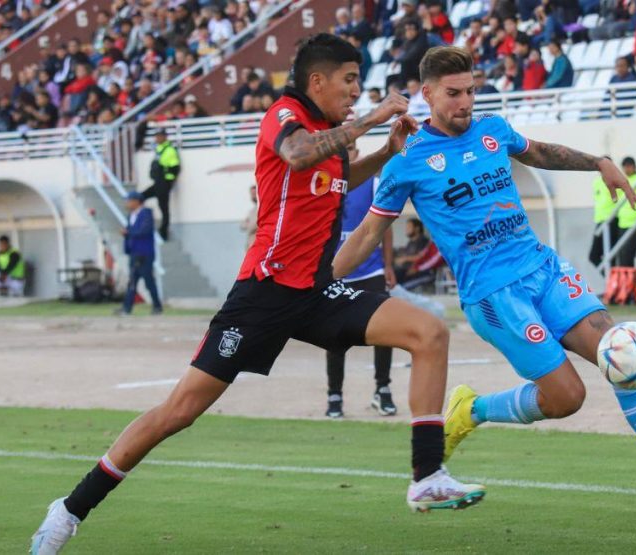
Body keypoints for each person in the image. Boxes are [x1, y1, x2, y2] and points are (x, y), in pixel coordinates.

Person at [31, 34, 484, 554]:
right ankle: (69, 510)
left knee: (428, 332)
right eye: (350, 80)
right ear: (318, 80)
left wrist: (385, 151)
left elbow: (337, 176)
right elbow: (296, 156)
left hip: (315, 290)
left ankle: (426, 476)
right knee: (179, 411)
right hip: (263, 294)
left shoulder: (332, 134)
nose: (356, 91)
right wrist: (371, 119)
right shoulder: (285, 115)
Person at [334, 46, 636, 511]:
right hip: (494, 296)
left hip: (542, 268)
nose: (465, 103)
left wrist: (598, 162)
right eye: (453, 93)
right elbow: (368, 234)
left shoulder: (493, 131)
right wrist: (317, 281)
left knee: (622, 352)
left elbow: (540, 152)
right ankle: (471, 410)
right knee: (566, 398)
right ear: (427, 94)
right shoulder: (408, 162)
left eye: (471, 91)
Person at [325, 142, 399, 419]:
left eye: (352, 147)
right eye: (343, 148)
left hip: (370, 269)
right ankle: (335, 394)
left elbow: (385, 227)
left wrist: (388, 264)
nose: (348, 152)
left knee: (387, 329)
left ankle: (383, 389)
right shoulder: (327, 182)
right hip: (336, 271)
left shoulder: (372, 183)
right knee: (334, 335)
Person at [117, 192, 163, 316]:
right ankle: (127, 308)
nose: (127, 203)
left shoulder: (146, 213)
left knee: (148, 281)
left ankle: (157, 306)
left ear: (137, 201)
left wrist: (127, 232)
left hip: (145, 253)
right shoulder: (131, 215)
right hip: (134, 252)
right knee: (132, 281)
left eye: (129, 200)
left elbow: (144, 231)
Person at [142, 128, 180, 240]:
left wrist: (168, 180)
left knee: (163, 207)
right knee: (141, 197)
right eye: (156, 136)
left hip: (163, 183)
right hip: (157, 182)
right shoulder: (158, 149)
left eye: (159, 136)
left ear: (165, 137)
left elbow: (175, 168)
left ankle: (164, 232)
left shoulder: (170, 150)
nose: (157, 138)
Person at [588, 156, 621, 270]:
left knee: (611, 255)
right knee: (593, 256)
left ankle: (612, 282)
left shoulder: (617, 180)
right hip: (600, 222)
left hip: (612, 220)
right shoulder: (596, 182)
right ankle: (611, 281)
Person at [393, 218, 431, 283]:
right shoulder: (410, 242)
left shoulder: (423, 241)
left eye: (409, 227)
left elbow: (422, 257)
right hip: (405, 270)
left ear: (417, 228)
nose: (406, 229)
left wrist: (405, 259)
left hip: (417, 272)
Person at [240, 184, 258, 251]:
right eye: (252, 194)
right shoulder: (252, 211)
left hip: (258, 244)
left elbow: (255, 224)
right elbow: (242, 225)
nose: (252, 196)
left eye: (254, 193)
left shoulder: (262, 208)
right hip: (250, 244)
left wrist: (249, 225)